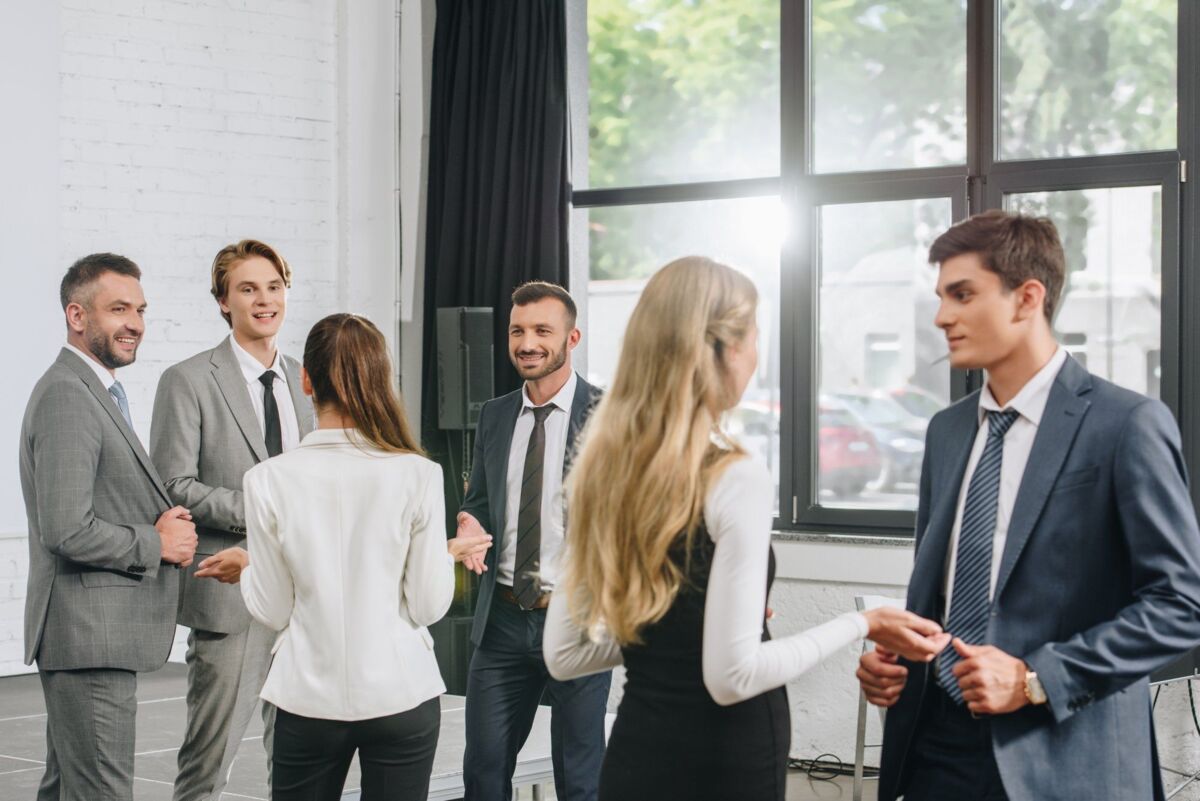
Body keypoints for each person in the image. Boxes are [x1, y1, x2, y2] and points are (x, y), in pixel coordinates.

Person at [542, 256, 948, 801]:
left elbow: (564, 655)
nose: (756, 355)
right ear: (724, 350)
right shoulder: (734, 474)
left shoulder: (601, 472)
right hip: (723, 762)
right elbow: (732, 677)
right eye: (755, 336)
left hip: (635, 758)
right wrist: (862, 623)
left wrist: (680, 635)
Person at [857, 210, 1200, 801]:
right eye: (941, 297)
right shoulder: (946, 431)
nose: (942, 317)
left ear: (1027, 297)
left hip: (1065, 757)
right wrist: (901, 664)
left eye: (963, 294)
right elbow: (938, 597)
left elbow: (1180, 606)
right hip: (936, 749)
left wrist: (1034, 679)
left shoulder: (1127, 424)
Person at [239, 313, 454, 800]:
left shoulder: (266, 480)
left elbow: (273, 609)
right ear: (380, 379)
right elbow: (427, 606)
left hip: (306, 697)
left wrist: (248, 568)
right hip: (402, 694)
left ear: (306, 380)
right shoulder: (419, 474)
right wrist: (446, 557)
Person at [21, 253, 198, 801]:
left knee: (68, 790)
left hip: (93, 639)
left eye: (140, 310)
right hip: (88, 640)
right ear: (77, 316)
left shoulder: (93, 391)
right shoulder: (68, 395)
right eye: (118, 309)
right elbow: (66, 528)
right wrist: (157, 542)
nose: (135, 323)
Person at [150, 240, 315, 801]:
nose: (264, 300)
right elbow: (172, 484)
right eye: (247, 289)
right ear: (223, 301)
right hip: (230, 599)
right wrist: (262, 510)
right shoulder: (189, 379)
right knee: (208, 765)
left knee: (298, 763)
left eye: (273, 287)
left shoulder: (305, 379)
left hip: (305, 597)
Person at [456, 281, 611, 801]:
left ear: (572, 338)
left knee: (580, 779)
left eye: (543, 331)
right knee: (483, 772)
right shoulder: (495, 415)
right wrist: (469, 520)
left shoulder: (612, 416)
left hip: (578, 618)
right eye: (517, 331)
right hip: (501, 619)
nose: (527, 343)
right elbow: (479, 499)